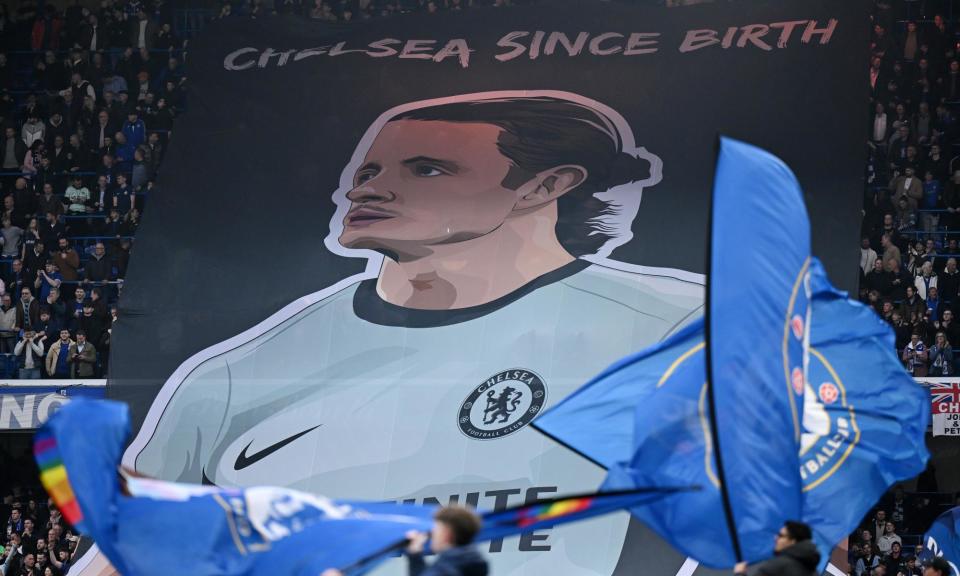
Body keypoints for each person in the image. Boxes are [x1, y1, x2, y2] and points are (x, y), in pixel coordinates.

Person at [128, 92, 703, 576]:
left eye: (426, 169)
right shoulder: (229, 377)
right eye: (368, 172)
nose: (366, 190)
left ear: (542, 186)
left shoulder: (678, 328)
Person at [322, 506, 487, 576]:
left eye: (436, 528)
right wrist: (415, 554)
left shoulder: (459, 561)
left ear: (447, 533)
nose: (432, 533)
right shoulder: (464, 559)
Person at [733, 521, 820, 576]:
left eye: (781, 535)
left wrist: (739, 573)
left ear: (793, 541)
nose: (776, 538)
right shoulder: (812, 570)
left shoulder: (778, 565)